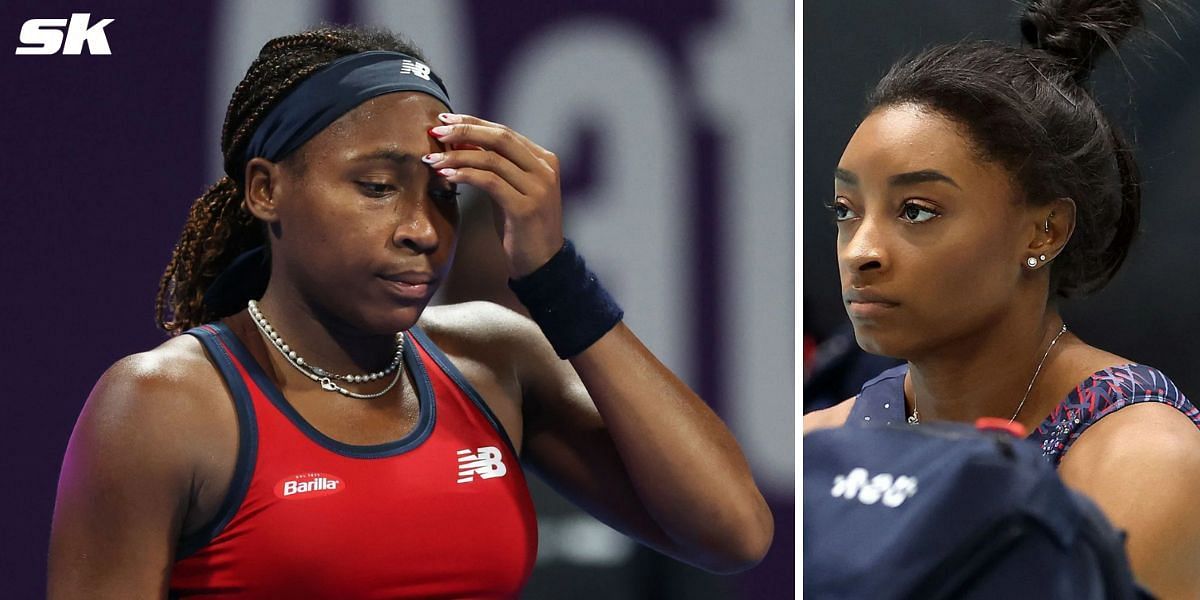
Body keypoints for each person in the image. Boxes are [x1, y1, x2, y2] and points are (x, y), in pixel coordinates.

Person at [46, 25, 773, 598]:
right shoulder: (161, 407)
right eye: (375, 186)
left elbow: (733, 532)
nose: (422, 229)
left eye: (442, 193)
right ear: (266, 190)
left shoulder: (494, 361)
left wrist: (558, 279)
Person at [802, 0, 1200, 597]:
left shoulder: (1142, 461)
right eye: (845, 211)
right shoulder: (816, 444)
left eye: (916, 211)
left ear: (1045, 232)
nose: (860, 250)